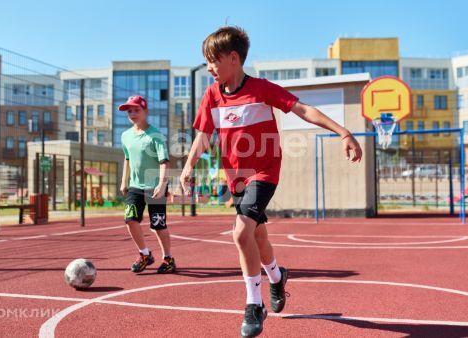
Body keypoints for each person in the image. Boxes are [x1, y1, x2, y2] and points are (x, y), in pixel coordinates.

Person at [180, 26, 362, 337]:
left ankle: (254, 305)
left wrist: (343, 132)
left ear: (233, 58)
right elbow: (202, 135)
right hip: (235, 178)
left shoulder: (262, 89)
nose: (209, 67)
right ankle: (277, 277)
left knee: (240, 234)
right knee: (258, 238)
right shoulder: (211, 95)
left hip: (264, 173)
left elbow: (303, 109)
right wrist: (187, 167)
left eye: (213, 60)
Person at [119, 95, 176, 274]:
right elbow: (127, 159)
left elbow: (164, 162)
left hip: (155, 186)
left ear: (146, 112)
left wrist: (162, 184)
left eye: (137, 110)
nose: (133, 114)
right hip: (135, 186)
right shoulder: (125, 136)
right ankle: (144, 254)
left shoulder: (155, 135)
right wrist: (124, 181)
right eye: (130, 111)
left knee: (158, 226)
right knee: (130, 219)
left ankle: (168, 259)